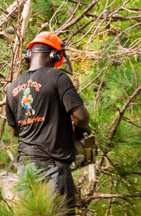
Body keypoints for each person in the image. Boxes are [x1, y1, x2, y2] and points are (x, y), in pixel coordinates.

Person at [5, 32, 91, 214]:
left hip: (25, 170)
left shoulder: (12, 87)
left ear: (29, 55)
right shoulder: (57, 77)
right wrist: (79, 128)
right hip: (53, 168)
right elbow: (81, 116)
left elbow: (15, 131)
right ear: (55, 55)